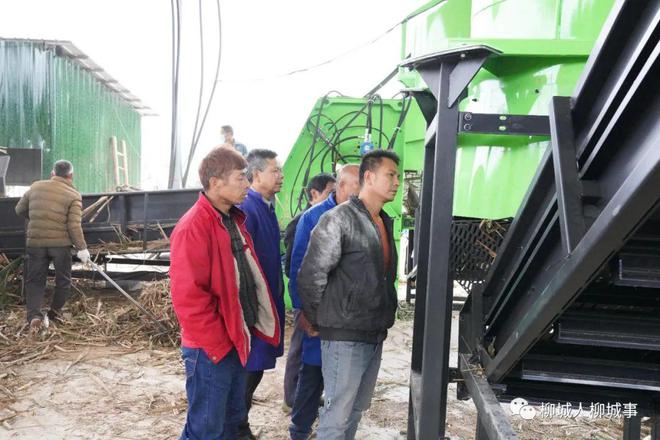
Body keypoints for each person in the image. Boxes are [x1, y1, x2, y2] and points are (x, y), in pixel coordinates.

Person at [170, 147, 280, 440]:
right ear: (216, 183)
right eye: (240, 178)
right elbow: (189, 298)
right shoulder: (194, 226)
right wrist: (218, 344)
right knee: (205, 429)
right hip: (211, 348)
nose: (246, 183)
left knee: (231, 423)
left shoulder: (232, 219)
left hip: (235, 339)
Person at [297, 150, 400, 440]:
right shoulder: (339, 219)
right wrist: (319, 319)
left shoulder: (382, 221)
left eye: (397, 176)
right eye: (390, 175)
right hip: (344, 335)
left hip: (373, 332)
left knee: (354, 411)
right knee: (337, 416)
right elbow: (311, 274)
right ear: (369, 177)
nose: (396, 182)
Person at [288, 164, 360, 440]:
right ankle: (299, 430)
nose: (360, 193)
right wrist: (304, 311)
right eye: (356, 186)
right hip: (319, 313)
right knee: (313, 372)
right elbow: (299, 267)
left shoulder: (363, 216)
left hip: (349, 316)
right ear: (341, 186)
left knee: (343, 379)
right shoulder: (313, 217)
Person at [237, 148, 285, 440]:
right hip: (255, 307)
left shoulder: (267, 207)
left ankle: (240, 424)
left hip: (268, 302)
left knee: (257, 368)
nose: (280, 176)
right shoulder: (248, 209)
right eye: (274, 171)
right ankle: (237, 427)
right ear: (256, 174)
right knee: (250, 368)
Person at [14, 160, 91, 331]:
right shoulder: (74, 195)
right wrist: (82, 248)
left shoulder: (35, 187)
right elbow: (74, 226)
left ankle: (34, 316)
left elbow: (19, 210)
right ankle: (53, 315)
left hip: (36, 243)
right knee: (63, 281)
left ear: (52, 173)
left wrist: (36, 217)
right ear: (71, 176)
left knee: (35, 280)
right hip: (60, 246)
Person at [282, 172, 336, 411]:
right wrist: (301, 303)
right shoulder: (303, 221)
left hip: (319, 299)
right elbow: (293, 265)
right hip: (305, 300)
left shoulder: (330, 218)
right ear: (314, 194)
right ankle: (291, 399)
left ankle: (306, 396)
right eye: (330, 192)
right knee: (300, 348)